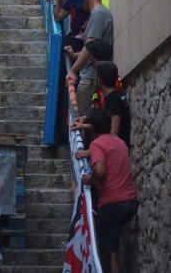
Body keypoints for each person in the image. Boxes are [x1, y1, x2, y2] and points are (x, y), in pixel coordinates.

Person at [81, 109, 137, 273]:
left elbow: (100, 170)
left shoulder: (97, 144)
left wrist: (89, 180)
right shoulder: (119, 142)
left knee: (108, 252)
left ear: (93, 128)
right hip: (131, 202)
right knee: (112, 246)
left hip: (112, 204)